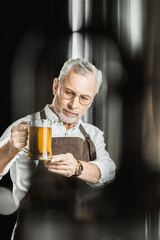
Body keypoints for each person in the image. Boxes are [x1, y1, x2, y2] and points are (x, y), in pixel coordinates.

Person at [0, 58, 116, 239]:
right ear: (56, 86)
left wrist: (78, 167)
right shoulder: (24, 126)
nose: (74, 105)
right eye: (69, 93)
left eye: (84, 98)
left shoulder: (92, 135)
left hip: (82, 233)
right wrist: (10, 148)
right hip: (33, 233)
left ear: (92, 100)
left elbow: (109, 172)